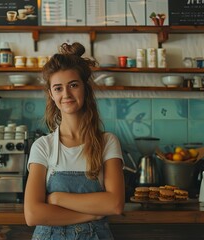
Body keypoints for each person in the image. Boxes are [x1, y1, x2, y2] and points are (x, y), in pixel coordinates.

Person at [24, 42, 125, 240]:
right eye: (58, 88)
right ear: (51, 95)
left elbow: (114, 204)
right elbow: (33, 214)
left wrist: (56, 198)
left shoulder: (107, 142)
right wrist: (92, 213)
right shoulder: (43, 146)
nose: (66, 94)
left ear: (85, 89)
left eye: (73, 85)